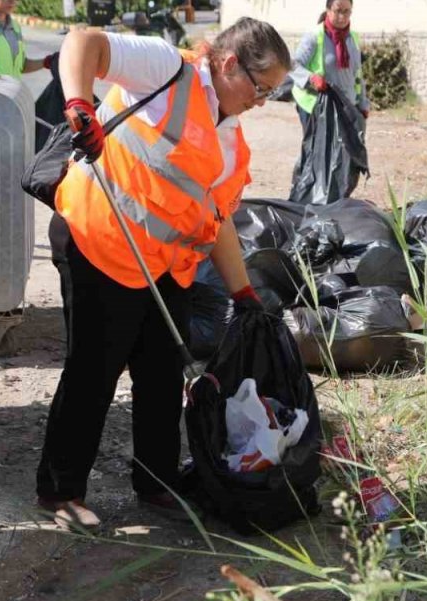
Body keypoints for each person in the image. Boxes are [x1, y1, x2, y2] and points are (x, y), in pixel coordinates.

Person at [36, 19, 292, 529]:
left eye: (272, 93)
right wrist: (79, 104)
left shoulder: (231, 140)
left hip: (161, 267)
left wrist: (243, 291)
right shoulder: (165, 70)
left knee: (160, 375)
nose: (262, 101)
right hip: (98, 239)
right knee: (94, 371)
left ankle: (155, 483)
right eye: (260, 88)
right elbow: (82, 42)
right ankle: (61, 491)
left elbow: (216, 221)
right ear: (227, 64)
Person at [289, 0, 368, 130]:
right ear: (328, 10)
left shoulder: (353, 38)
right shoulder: (314, 36)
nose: (342, 17)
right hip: (316, 106)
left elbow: (358, 74)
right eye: (337, 11)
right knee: (317, 149)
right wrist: (311, 78)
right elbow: (293, 65)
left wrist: (363, 104)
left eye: (346, 12)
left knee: (344, 149)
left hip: (346, 106)